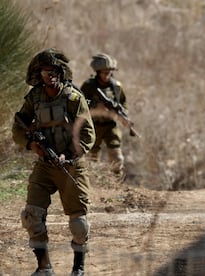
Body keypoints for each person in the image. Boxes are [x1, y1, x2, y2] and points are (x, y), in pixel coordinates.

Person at [12, 48, 95, 276]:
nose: (49, 75)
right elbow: (19, 126)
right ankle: (44, 267)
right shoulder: (34, 97)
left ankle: (78, 267)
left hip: (70, 165)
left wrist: (67, 155)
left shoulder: (73, 99)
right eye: (44, 71)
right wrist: (32, 145)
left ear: (61, 72)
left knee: (79, 224)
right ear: (38, 74)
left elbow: (87, 134)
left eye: (52, 71)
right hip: (44, 166)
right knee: (31, 216)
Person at [80, 53, 128, 178]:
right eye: (104, 73)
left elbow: (123, 103)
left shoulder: (116, 87)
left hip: (110, 125)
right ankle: (91, 180)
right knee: (91, 156)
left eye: (109, 72)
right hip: (93, 125)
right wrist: (95, 107)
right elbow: (80, 104)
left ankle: (117, 180)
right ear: (98, 72)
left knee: (116, 155)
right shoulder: (89, 86)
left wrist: (123, 116)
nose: (106, 75)